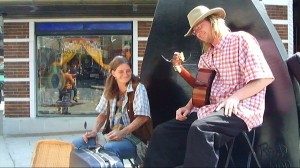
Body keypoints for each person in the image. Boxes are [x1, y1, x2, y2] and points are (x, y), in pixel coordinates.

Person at [144, 5, 274, 167]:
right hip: (210, 111)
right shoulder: (206, 57)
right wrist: (187, 106)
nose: (198, 32)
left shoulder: (241, 40)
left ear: (213, 21)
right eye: (195, 31)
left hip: (240, 109)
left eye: (200, 26)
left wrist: (234, 98)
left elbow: (264, 78)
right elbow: (202, 91)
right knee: (163, 133)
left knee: (200, 129)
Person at [72, 56, 151, 162]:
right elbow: (102, 115)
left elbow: (143, 117)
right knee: (77, 144)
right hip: (112, 135)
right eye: (121, 71)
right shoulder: (110, 89)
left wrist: (122, 133)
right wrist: (95, 131)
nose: (125, 74)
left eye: (128, 71)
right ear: (113, 73)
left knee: (109, 149)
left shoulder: (138, 88)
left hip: (135, 140)